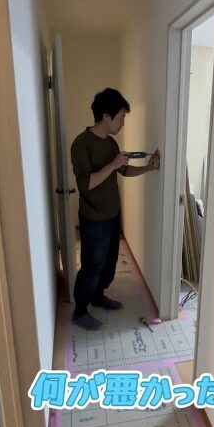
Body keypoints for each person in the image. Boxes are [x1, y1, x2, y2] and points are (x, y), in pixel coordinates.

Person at [69, 88, 161, 330]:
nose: (123, 123)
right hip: (93, 218)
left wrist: (149, 168)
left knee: (109, 263)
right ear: (106, 116)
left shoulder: (110, 142)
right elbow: (86, 184)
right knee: (92, 265)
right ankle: (80, 311)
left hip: (112, 215)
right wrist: (112, 164)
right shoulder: (81, 144)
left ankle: (98, 296)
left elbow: (124, 170)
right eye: (121, 117)